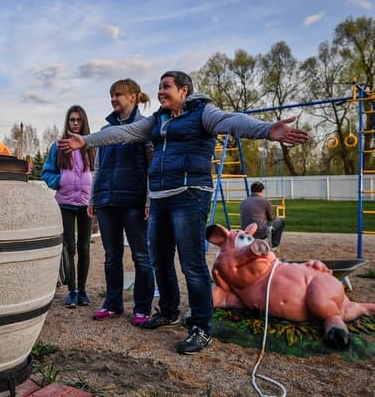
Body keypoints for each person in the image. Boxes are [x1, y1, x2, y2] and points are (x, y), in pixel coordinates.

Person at [58, 71, 309, 354]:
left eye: (166, 87)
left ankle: (201, 327)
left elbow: (234, 121)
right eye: (160, 87)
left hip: (189, 195)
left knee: (191, 263)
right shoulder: (158, 120)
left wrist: (267, 129)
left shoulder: (202, 112)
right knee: (160, 259)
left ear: (184, 90)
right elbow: (123, 133)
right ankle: (168, 311)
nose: (161, 92)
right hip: (161, 196)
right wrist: (87, 141)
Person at [88, 79, 155, 326]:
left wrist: (148, 199)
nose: (114, 99)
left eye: (118, 95)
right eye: (112, 95)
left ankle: (142, 307)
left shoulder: (144, 128)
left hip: (134, 201)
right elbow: (97, 167)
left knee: (141, 256)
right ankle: (113, 303)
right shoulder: (106, 130)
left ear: (134, 97)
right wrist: (94, 198)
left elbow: (152, 166)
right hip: (107, 201)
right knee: (111, 256)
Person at [42, 105, 95, 308]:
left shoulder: (91, 146)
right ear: (67, 122)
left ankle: (82, 290)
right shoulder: (58, 146)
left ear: (84, 122)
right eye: (72, 120)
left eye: (78, 120)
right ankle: (71, 291)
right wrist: (61, 181)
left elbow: (98, 173)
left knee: (84, 247)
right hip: (65, 203)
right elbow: (47, 172)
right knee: (69, 248)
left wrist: (94, 197)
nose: (75, 123)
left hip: (85, 203)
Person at [240, 181, 285, 248]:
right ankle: (273, 245)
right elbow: (271, 218)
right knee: (281, 222)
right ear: (262, 190)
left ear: (251, 190)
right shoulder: (265, 201)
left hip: (246, 231)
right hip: (260, 232)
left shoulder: (243, 202)